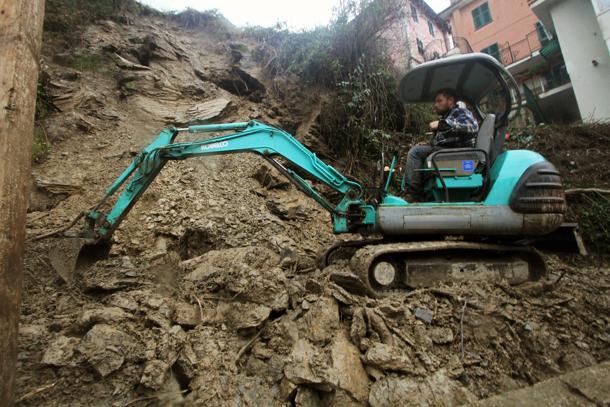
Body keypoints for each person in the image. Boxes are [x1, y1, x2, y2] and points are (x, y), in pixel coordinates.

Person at [405, 89, 479, 198]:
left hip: (457, 151)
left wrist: (441, 125)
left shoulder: (460, 112)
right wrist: (428, 143)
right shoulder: (449, 116)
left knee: (415, 153)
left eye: (439, 101)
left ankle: (413, 194)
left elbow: (472, 127)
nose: (435, 105)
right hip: (447, 149)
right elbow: (446, 138)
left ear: (450, 101)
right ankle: (424, 191)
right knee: (418, 149)